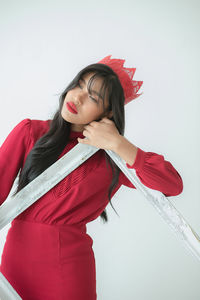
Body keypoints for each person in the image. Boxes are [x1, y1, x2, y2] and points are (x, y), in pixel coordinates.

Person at [0, 55, 183, 300]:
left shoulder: (111, 157)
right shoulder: (31, 132)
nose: (77, 97)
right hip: (16, 263)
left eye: (93, 97)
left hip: (69, 271)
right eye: (78, 85)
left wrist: (119, 144)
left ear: (107, 112)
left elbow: (173, 184)